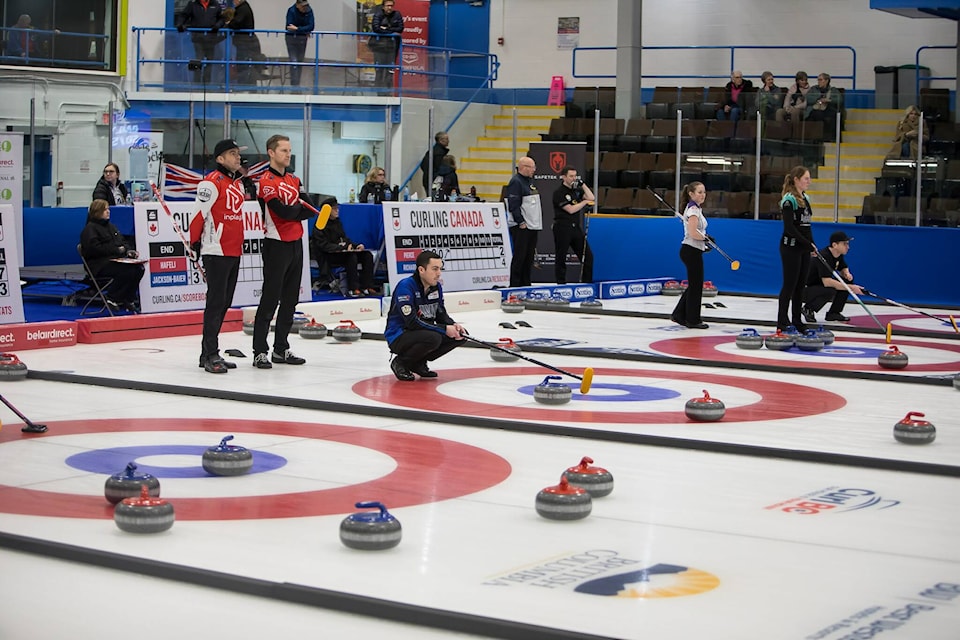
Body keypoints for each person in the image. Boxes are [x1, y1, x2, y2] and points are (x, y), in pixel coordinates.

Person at [251, 134, 317, 369]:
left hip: (296, 243)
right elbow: (284, 213)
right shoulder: (266, 181)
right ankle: (260, 351)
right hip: (275, 243)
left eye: (289, 150)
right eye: (283, 151)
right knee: (270, 299)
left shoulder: (294, 180)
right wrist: (296, 209)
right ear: (271, 152)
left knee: (290, 300)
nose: (288, 154)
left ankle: (281, 348)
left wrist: (296, 209)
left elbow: (310, 209)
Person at [188, 139, 248, 374]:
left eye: (237, 153)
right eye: (232, 154)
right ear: (220, 158)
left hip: (234, 250)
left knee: (224, 303)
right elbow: (197, 216)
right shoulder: (210, 183)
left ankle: (210, 352)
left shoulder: (237, 184)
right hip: (216, 250)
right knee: (215, 304)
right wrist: (195, 243)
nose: (237, 158)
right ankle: (210, 353)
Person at [384, 250, 466, 381]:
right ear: (421, 270)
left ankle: (417, 362)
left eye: (440, 269)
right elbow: (411, 322)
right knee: (433, 338)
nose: (438, 273)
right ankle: (401, 362)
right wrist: (444, 329)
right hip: (399, 335)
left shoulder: (436, 287)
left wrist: (453, 325)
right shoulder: (405, 287)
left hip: (422, 332)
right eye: (434, 269)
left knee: (460, 335)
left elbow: (441, 314)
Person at [79, 199, 145, 312]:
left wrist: (129, 251)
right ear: (97, 211)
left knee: (139, 268)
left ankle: (128, 298)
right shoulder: (89, 229)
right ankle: (112, 297)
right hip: (99, 264)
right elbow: (94, 250)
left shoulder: (111, 227)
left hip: (115, 260)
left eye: (108, 209)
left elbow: (123, 242)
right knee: (126, 271)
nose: (108, 212)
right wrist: (116, 250)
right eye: (105, 209)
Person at [777, 165, 817, 332]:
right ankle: (782, 320)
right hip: (791, 248)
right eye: (806, 178)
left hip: (804, 249)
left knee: (801, 285)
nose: (809, 181)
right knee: (790, 285)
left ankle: (797, 319)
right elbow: (790, 228)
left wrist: (811, 244)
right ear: (796, 180)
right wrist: (805, 243)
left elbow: (806, 226)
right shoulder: (789, 200)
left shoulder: (806, 198)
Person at [669, 182, 711, 330]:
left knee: (695, 285)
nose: (703, 195)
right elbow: (693, 233)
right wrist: (706, 239)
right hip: (690, 250)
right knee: (696, 286)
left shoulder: (696, 209)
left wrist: (705, 243)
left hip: (694, 249)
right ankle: (693, 320)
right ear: (691, 194)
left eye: (704, 192)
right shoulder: (693, 210)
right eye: (699, 192)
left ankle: (680, 314)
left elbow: (697, 234)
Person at [313, 200, 376, 298]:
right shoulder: (319, 226)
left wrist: (355, 246)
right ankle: (353, 288)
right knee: (351, 257)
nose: (337, 211)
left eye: (337, 208)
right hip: (329, 256)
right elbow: (323, 245)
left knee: (367, 255)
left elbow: (344, 239)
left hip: (341, 252)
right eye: (334, 209)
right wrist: (342, 247)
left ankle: (367, 286)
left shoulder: (337, 223)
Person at [802, 231, 864, 324]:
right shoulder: (824, 256)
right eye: (845, 244)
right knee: (830, 290)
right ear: (835, 245)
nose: (848, 247)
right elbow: (827, 282)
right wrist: (851, 288)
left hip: (818, 285)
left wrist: (846, 273)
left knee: (846, 281)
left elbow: (843, 266)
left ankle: (834, 313)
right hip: (803, 289)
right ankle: (808, 308)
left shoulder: (838, 255)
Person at [551, 165, 594, 285]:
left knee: (588, 256)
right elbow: (570, 209)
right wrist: (584, 202)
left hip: (576, 228)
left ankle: (587, 283)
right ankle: (561, 283)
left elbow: (591, 197)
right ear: (564, 177)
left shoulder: (576, 191)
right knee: (561, 257)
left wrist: (583, 185)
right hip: (562, 227)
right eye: (571, 176)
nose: (573, 178)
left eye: (575, 176)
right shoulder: (558, 193)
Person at [505, 156, 541, 287]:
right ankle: (515, 285)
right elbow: (513, 204)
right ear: (523, 167)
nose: (534, 170)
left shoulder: (529, 182)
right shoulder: (516, 182)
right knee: (520, 257)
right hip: (522, 226)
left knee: (528, 257)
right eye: (532, 167)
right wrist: (520, 222)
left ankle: (526, 284)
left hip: (532, 225)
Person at [176, 0, 226, 86]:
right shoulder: (193, 4)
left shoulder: (215, 4)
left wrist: (217, 25)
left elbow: (221, 18)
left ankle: (206, 84)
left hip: (211, 39)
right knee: (198, 60)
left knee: (209, 62)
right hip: (198, 38)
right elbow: (183, 15)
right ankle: (196, 84)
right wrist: (180, 24)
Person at [370, 0, 404, 89]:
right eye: (388, 6)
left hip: (392, 47)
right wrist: (392, 30)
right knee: (379, 70)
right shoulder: (378, 14)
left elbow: (400, 28)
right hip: (379, 47)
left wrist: (386, 28)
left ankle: (388, 91)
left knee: (390, 70)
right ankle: (378, 92)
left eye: (391, 6)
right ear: (383, 6)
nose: (390, 8)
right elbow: (376, 28)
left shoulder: (397, 14)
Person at [227, 0, 262, 87]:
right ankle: (246, 86)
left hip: (245, 43)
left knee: (244, 66)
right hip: (244, 43)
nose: (233, 2)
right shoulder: (243, 8)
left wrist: (228, 24)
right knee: (243, 65)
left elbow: (236, 23)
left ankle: (246, 87)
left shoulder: (243, 9)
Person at [285, 0, 314, 88]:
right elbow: (289, 27)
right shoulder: (291, 10)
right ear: (297, 5)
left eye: (305, 6)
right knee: (294, 62)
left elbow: (311, 26)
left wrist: (298, 29)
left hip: (302, 39)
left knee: (300, 62)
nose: (304, 8)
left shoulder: (309, 10)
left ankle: (297, 83)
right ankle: (294, 85)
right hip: (291, 39)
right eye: (302, 6)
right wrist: (304, 30)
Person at [805, 73, 842, 141]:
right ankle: (817, 138)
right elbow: (808, 98)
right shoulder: (813, 89)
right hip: (815, 109)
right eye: (818, 80)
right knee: (817, 114)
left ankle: (832, 138)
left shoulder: (833, 90)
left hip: (827, 109)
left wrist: (829, 100)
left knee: (834, 115)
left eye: (820, 80)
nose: (818, 81)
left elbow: (839, 100)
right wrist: (818, 98)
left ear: (826, 81)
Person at [420, 131, 451, 197]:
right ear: (441, 140)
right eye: (447, 139)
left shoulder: (432, 151)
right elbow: (439, 168)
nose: (448, 141)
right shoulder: (439, 153)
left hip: (428, 180)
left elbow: (422, 165)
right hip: (434, 182)